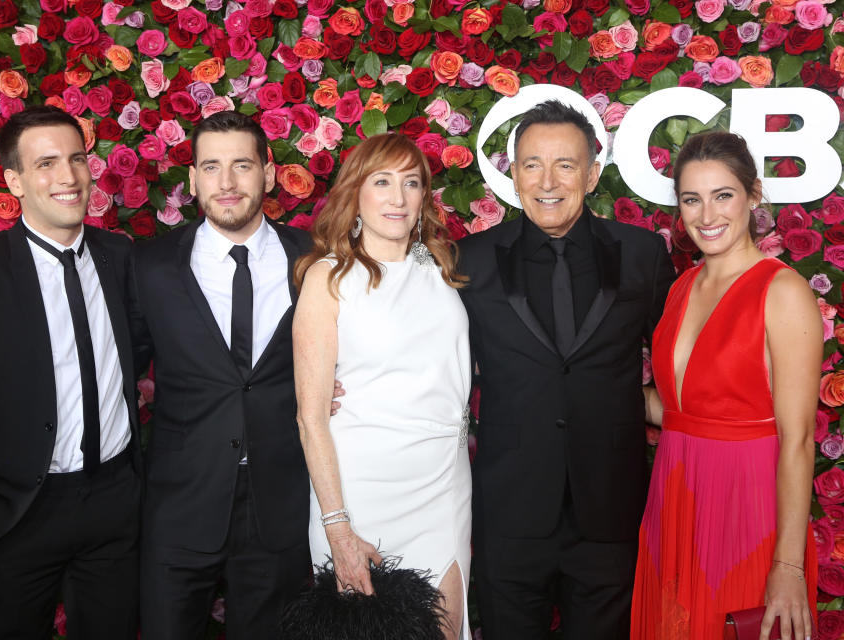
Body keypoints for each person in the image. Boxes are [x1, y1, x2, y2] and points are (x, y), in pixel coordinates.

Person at [0, 105, 141, 639]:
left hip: (114, 503)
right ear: (14, 180)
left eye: (77, 159)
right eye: (45, 164)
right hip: (18, 513)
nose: (67, 177)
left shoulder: (121, 257)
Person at [457, 99, 676, 639]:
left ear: (593, 174)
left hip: (610, 509)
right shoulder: (470, 260)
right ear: (514, 175)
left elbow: (681, 359)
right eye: (532, 164)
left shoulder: (643, 254)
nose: (547, 180)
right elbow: (427, 356)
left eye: (566, 164)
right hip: (509, 510)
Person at [630, 131, 819, 640]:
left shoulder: (782, 291)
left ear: (753, 196)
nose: (707, 215)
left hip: (747, 503)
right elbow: (675, 408)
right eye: (692, 199)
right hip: (676, 495)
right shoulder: (683, 285)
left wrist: (790, 566)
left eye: (723, 195)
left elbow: (799, 439)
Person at [131, 110, 313, 640]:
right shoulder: (151, 267)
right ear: (192, 179)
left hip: (279, 505)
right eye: (211, 167)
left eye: (242, 165)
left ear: (269, 173)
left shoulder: (315, 259)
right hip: (179, 504)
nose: (227, 183)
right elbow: (120, 375)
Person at [293, 132, 472, 640]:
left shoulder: (440, 269)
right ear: (356, 192)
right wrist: (337, 526)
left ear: (423, 197)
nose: (397, 197)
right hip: (360, 494)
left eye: (411, 183)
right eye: (382, 181)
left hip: (443, 488)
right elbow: (310, 419)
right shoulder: (327, 279)